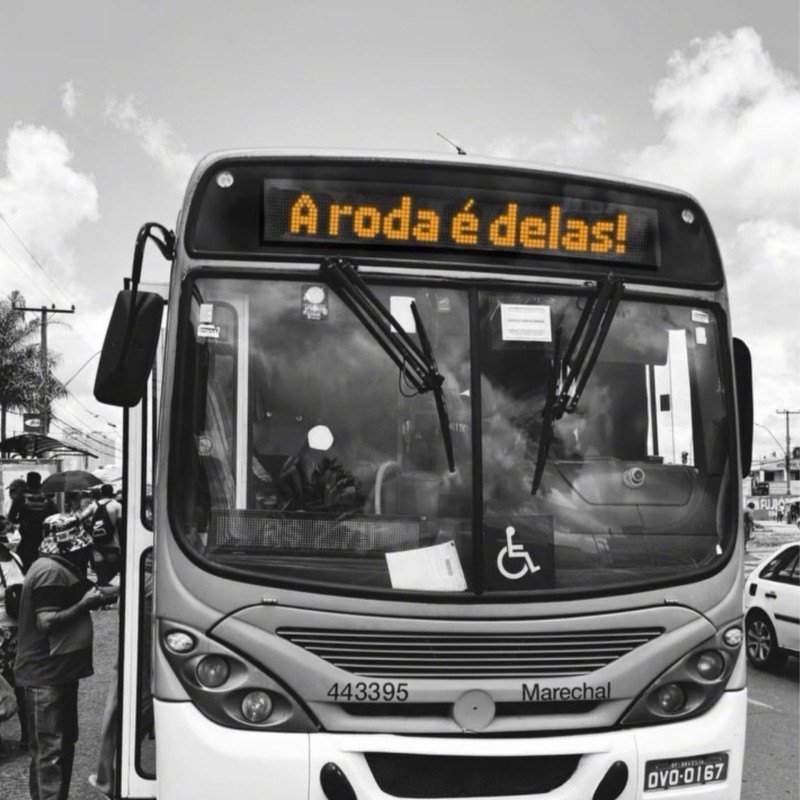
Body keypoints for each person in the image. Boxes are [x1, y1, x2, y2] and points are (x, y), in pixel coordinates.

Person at [14, 512, 116, 800]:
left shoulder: (59, 568)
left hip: (57, 673)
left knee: (59, 746)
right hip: (45, 674)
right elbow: (47, 621)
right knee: (51, 752)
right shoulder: (50, 572)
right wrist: (84, 605)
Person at [0, 541, 27, 755]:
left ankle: (27, 734)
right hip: (1, 630)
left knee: (22, 682)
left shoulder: (16, 559)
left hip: (20, 629)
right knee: (2, 685)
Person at [8, 473, 57, 573]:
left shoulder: (21, 498)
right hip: (42, 537)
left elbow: (11, 517)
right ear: (39, 483)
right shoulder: (47, 499)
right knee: (42, 567)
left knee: (23, 566)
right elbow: (55, 516)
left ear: (27, 483)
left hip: (26, 537)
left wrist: (21, 520)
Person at [85, 485, 123, 587]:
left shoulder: (93, 505)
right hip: (112, 544)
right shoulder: (117, 505)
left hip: (97, 545)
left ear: (101, 493)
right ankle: (110, 600)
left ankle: (102, 597)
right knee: (112, 575)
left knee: (101, 575)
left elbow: (81, 518)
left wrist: (89, 529)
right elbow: (120, 525)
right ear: (112, 493)